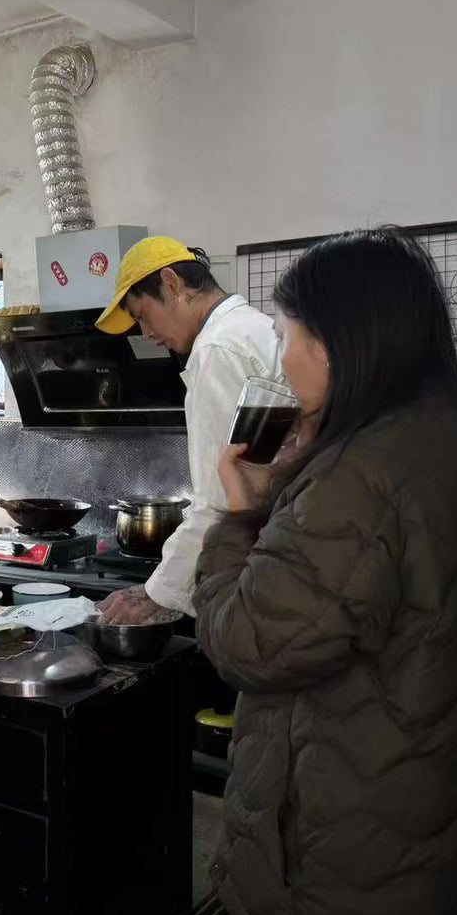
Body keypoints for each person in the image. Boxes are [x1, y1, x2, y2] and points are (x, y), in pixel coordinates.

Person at [193, 227, 457, 915]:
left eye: (286, 336)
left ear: (334, 344)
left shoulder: (361, 475)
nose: (281, 360)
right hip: (420, 822)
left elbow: (248, 644)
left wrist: (240, 514)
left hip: (336, 865)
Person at [91, 237, 280, 626]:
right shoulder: (254, 328)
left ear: (171, 284)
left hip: (265, 564)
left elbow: (220, 498)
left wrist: (154, 593)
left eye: (142, 315)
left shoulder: (217, 349)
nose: (146, 334)